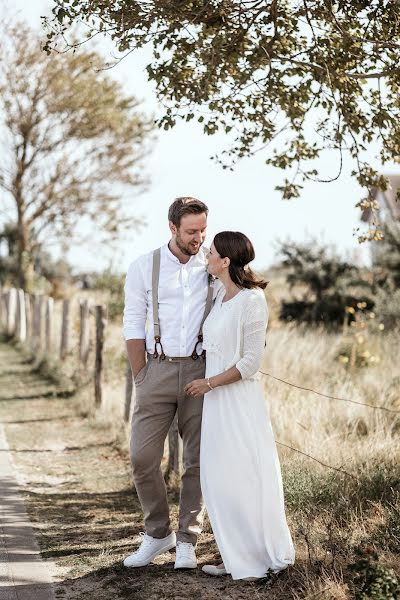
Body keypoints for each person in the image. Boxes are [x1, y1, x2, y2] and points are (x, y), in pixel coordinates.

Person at [184, 231, 295, 581]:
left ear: (226, 261)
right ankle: (235, 554)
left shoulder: (252, 300)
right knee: (220, 478)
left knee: (244, 476)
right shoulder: (220, 295)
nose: (207, 254)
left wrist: (209, 382)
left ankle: (255, 556)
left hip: (237, 402)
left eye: (212, 251)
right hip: (216, 404)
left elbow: (250, 363)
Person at [122, 197, 220, 570]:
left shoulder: (213, 263)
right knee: (143, 457)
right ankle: (157, 532)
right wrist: (140, 374)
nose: (198, 237)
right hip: (156, 371)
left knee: (195, 460)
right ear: (172, 228)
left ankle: (187, 540)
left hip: (201, 371)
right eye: (191, 231)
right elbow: (132, 323)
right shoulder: (144, 266)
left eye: (202, 230)